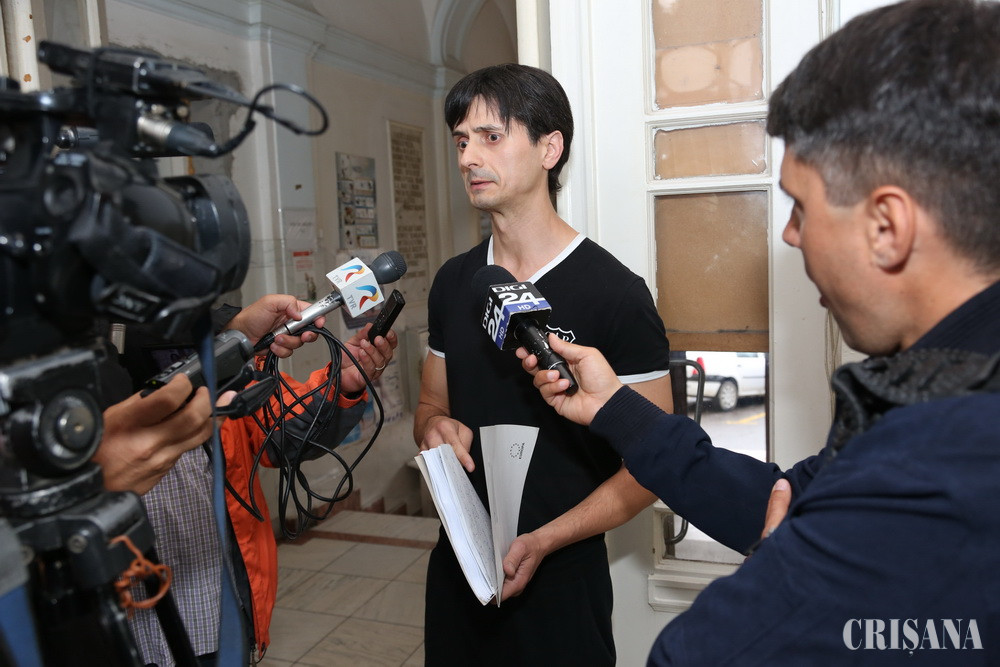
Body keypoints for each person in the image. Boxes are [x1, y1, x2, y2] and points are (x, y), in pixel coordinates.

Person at [520, 0, 1000, 662]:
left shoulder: (937, 462)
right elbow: (780, 496)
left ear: (887, 227)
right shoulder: (937, 378)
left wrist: (780, 566)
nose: (789, 233)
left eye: (801, 206)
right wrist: (614, 408)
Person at [413, 63, 673, 665]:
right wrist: (433, 428)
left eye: (491, 136)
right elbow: (430, 404)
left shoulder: (616, 294)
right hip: (459, 565)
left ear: (549, 149)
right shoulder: (455, 282)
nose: (468, 157)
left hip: (563, 576)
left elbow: (654, 465)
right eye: (461, 141)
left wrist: (547, 539)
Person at [96, 294, 398, 665]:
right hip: (107, 623)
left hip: (212, 612)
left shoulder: (214, 354)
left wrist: (343, 383)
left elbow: (283, 430)